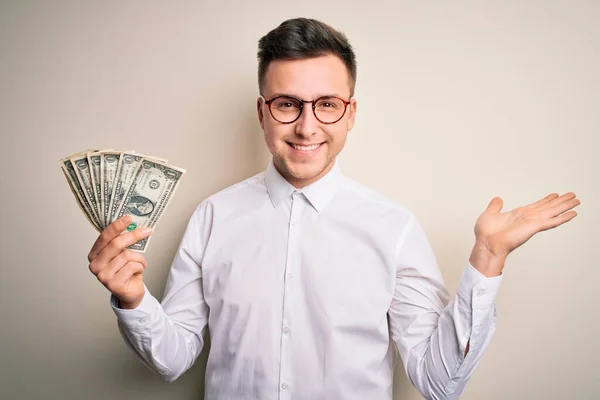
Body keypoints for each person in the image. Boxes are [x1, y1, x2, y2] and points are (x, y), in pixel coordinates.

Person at [86, 18, 580, 400]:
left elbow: (438, 382)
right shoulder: (213, 217)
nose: (306, 127)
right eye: (287, 104)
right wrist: (133, 300)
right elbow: (172, 360)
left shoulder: (394, 228)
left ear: (350, 114)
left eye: (326, 104)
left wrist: (488, 257)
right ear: (262, 112)